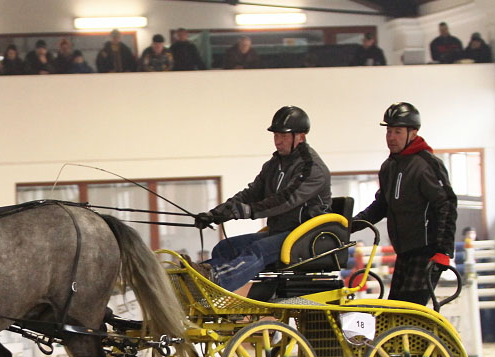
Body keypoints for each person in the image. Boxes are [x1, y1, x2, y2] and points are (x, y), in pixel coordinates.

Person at [195, 106, 331, 292]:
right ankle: (202, 280)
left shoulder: (312, 168)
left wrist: (248, 211)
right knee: (225, 248)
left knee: (258, 250)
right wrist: (217, 213)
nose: (277, 141)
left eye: (283, 136)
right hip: (281, 232)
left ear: (300, 136)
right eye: (275, 136)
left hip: (305, 236)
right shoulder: (274, 164)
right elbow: (251, 193)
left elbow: (285, 200)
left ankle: (212, 284)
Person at [352, 103, 457, 305]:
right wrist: (349, 225)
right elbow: (381, 206)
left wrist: (444, 251)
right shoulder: (389, 166)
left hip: (427, 252)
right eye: (388, 131)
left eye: (397, 132)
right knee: (396, 312)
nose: (391, 137)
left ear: (413, 133)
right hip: (404, 253)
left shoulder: (427, 164)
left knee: (410, 314)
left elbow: (447, 204)